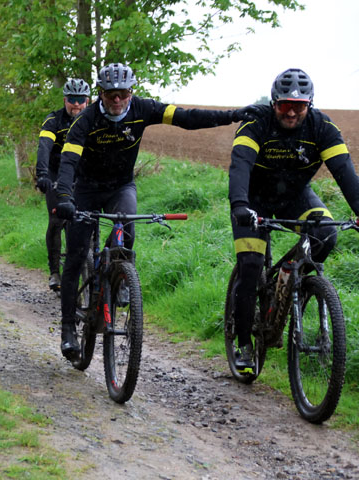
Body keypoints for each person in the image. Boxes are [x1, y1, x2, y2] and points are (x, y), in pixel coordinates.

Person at [54, 62, 256, 359]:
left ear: (131, 92)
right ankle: (69, 328)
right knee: (74, 255)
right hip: (86, 189)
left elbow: (187, 118)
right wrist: (64, 197)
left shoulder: (143, 108)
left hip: (120, 186)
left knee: (127, 225)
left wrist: (233, 115)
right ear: (100, 94)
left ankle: (119, 275)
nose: (117, 100)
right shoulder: (85, 120)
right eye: (111, 95)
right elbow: (69, 162)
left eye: (123, 93)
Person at [228, 68, 359, 373]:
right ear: (273, 103)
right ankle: (244, 343)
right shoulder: (256, 123)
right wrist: (240, 205)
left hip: (294, 198)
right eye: (284, 104)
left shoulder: (322, 127)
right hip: (253, 200)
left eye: (298, 106)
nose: (290, 111)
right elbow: (240, 167)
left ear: (309, 105)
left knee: (326, 235)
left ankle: (294, 285)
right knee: (250, 266)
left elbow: (346, 174)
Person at [35, 78, 91, 291]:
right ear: (65, 99)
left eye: (80, 100)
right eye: (72, 99)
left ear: (87, 100)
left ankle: (90, 264)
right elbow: (44, 147)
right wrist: (42, 175)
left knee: (88, 217)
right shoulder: (53, 120)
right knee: (57, 219)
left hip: (81, 172)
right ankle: (54, 272)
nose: (76, 104)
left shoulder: (91, 119)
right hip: (55, 172)